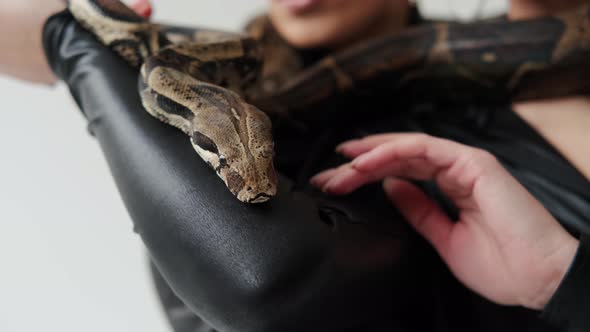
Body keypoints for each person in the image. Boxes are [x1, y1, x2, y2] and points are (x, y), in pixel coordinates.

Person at [2, 0, 589, 331]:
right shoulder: (202, 118)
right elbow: (266, 286)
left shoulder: (543, 90)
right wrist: (73, 40)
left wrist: (563, 278)